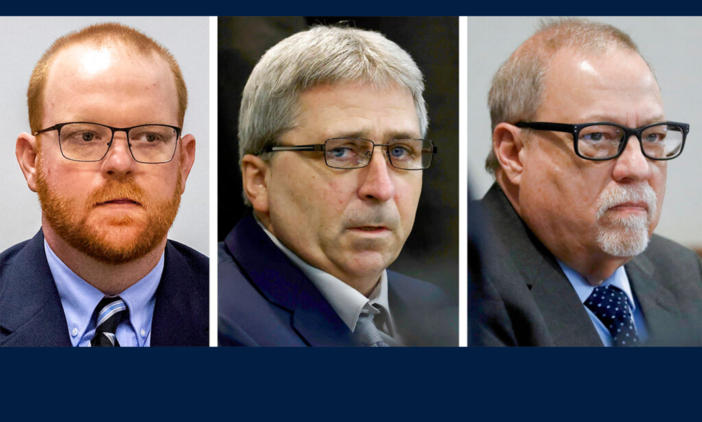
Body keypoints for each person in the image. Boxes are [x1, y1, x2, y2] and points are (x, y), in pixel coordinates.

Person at [468, 18, 702, 347]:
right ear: (514, 152)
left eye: (653, 137)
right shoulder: (470, 283)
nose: (638, 167)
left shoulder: (682, 272)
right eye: (598, 136)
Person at [218, 25, 457, 347]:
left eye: (400, 151)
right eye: (341, 152)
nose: (381, 188)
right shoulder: (218, 322)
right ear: (258, 180)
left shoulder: (436, 308)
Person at [0, 23, 208, 347]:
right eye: (86, 136)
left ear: (183, 163)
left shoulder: (228, 312)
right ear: (31, 161)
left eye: (150, 137)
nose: (121, 164)